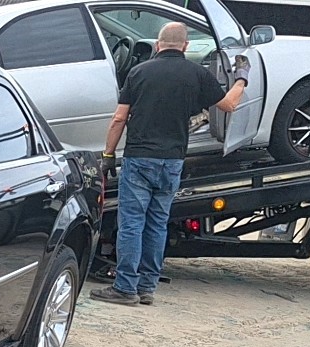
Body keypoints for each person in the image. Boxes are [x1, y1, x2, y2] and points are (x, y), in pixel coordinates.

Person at [90, 22, 250, 306]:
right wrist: (241, 78)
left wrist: (108, 155)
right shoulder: (197, 74)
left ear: (157, 45)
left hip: (139, 159)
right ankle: (147, 287)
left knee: (132, 225)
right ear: (186, 47)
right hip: (172, 161)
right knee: (157, 224)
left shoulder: (139, 72)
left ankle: (125, 287)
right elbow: (227, 105)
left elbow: (118, 119)